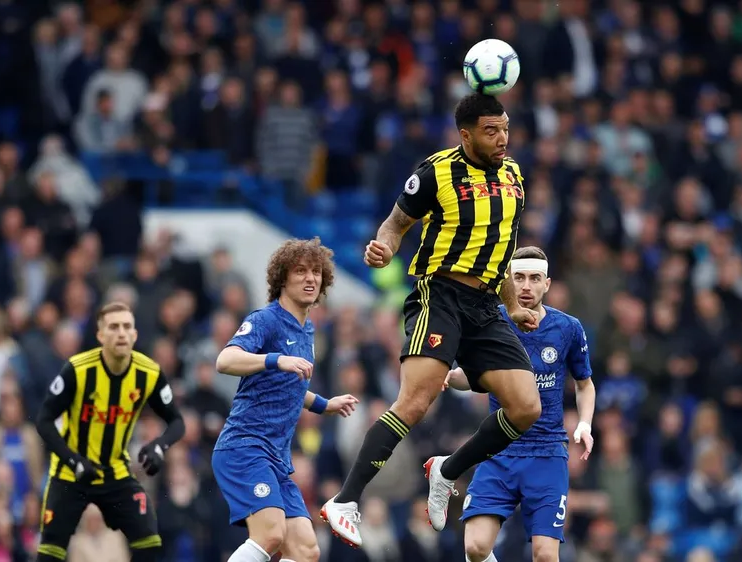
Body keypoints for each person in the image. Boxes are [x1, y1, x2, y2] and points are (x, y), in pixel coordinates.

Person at [322, 93, 543, 547]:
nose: (502, 138)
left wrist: (514, 306)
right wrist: (383, 248)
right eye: (490, 131)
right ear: (465, 134)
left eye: (504, 128)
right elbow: (395, 224)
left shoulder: (515, 176)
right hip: (438, 294)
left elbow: (500, 251)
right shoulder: (434, 173)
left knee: (526, 406)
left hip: (484, 306)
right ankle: (345, 499)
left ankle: (447, 468)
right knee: (416, 401)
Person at [443, 247, 596, 562]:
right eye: (519, 278)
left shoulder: (568, 328)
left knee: (544, 554)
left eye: (534, 279)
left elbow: (585, 384)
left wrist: (584, 423)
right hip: (499, 451)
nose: (526, 286)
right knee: (475, 547)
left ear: (547, 284)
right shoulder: (490, 322)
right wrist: (445, 377)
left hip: (547, 454)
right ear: (507, 283)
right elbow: (470, 376)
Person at [211, 237, 359, 562]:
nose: (311, 278)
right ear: (282, 277)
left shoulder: (307, 330)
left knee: (306, 549)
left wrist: (324, 404)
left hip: (277, 458)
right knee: (271, 533)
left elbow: (287, 386)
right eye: (301, 271)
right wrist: (275, 359)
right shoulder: (266, 319)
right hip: (245, 448)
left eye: (317, 272)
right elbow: (226, 360)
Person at [34, 301, 185, 562]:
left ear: (135, 335)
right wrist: (74, 459)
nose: (121, 333)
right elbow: (44, 421)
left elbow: (177, 422)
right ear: (100, 335)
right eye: (113, 327)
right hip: (70, 473)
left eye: (127, 327)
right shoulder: (78, 370)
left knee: (149, 542)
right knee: (50, 552)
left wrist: (159, 445)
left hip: (115, 472)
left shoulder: (148, 373)